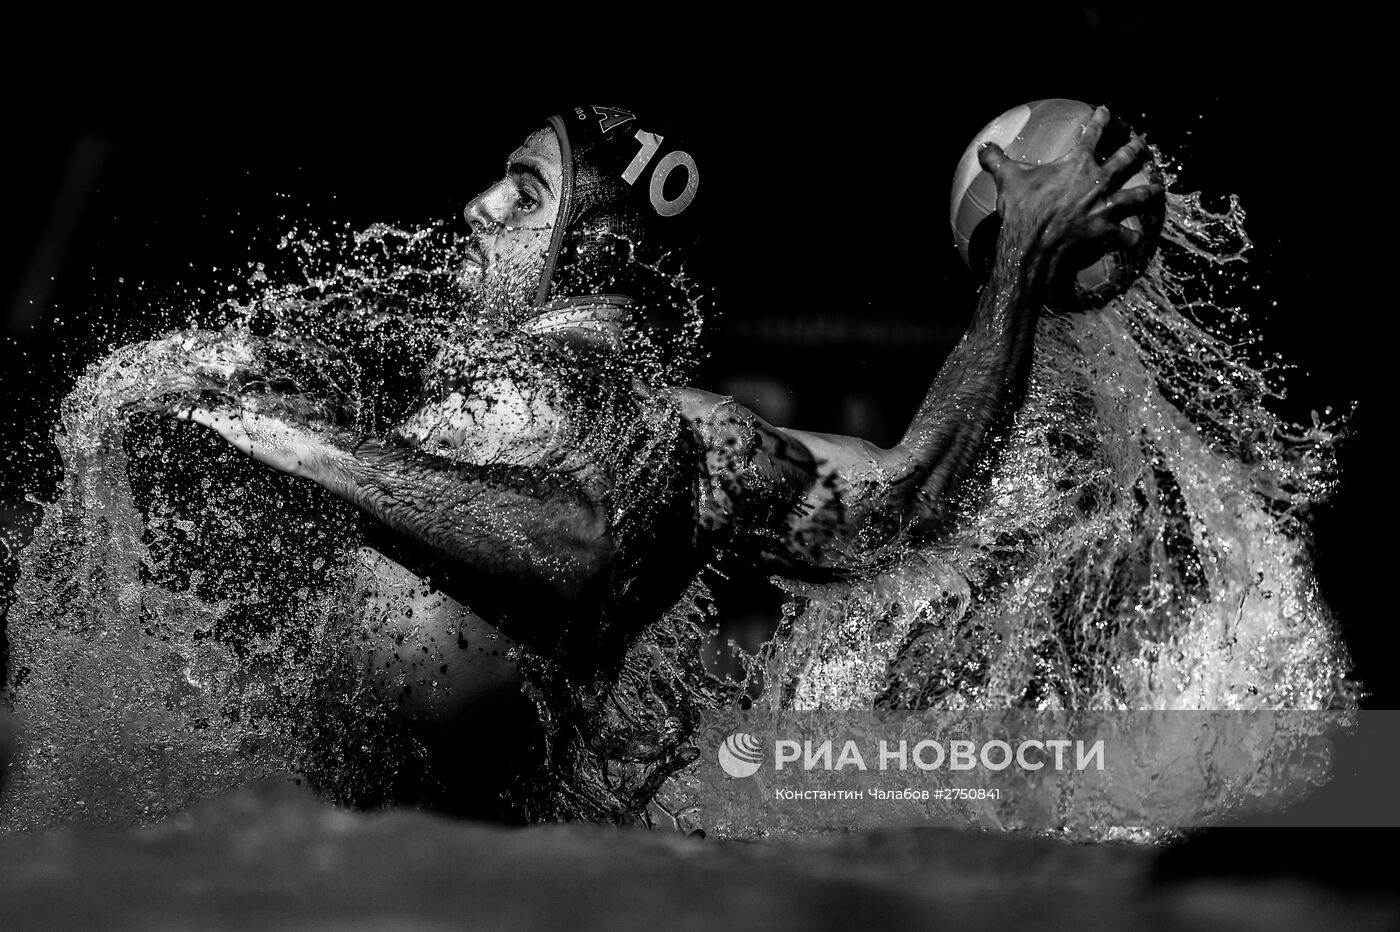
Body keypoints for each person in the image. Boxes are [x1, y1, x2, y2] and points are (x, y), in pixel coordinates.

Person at [172, 103, 1161, 816]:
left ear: (597, 241)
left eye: (523, 190)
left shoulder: (597, 395)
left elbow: (572, 535)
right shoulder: (699, 441)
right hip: (435, 854)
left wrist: (305, 443)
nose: (476, 207)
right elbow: (912, 495)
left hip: (400, 869)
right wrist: (1015, 282)